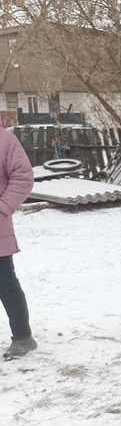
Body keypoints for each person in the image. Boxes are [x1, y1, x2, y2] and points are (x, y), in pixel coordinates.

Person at [0, 127, 35, 360]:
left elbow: (23, 176)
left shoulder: (4, 140)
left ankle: (23, 337)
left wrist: (2, 207)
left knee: (5, 284)